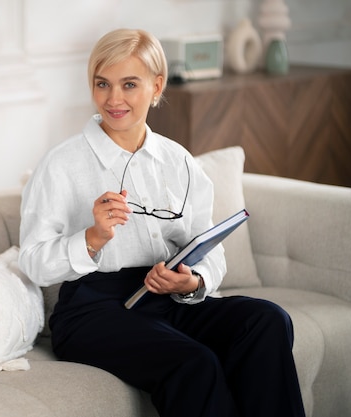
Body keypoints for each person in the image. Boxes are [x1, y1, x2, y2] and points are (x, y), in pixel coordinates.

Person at [18, 28, 305, 417]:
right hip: (92, 311)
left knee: (267, 321)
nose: (113, 99)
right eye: (102, 84)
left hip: (166, 298)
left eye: (129, 84)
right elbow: (33, 262)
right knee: (194, 363)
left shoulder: (179, 162)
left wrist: (193, 281)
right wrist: (92, 237)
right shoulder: (61, 164)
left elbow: (209, 250)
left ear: (156, 86)